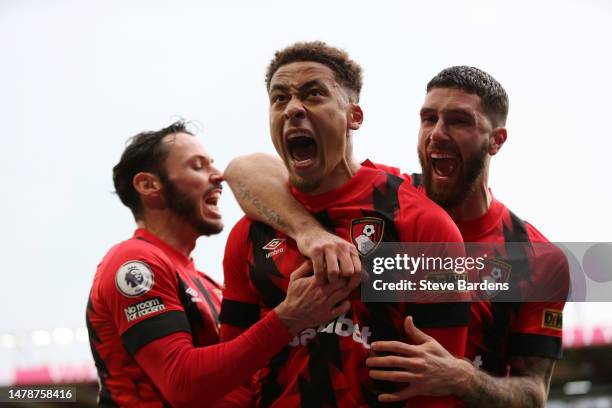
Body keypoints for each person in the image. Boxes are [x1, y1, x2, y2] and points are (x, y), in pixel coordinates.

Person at [225, 66, 568, 407]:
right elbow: (245, 171)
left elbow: (533, 394)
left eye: (459, 121)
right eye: (428, 118)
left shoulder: (538, 260)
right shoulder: (383, 198)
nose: (437, 133)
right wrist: (309, 232)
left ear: (496, 139)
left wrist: (461, 378)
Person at [219, 41, 470, 407]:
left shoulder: (421, 223)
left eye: (314, 94)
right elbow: (233, 375)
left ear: (354, 116)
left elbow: (437, 387)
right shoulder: (249, 233)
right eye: (279, 98)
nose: (292, 109)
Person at [86, 121, 354, 407]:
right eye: (198, 166)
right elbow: (182, 383)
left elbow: (233, 381)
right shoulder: (135, 261)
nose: (219, 176)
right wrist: (289, 318)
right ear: (149, 185)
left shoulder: (207, 284)